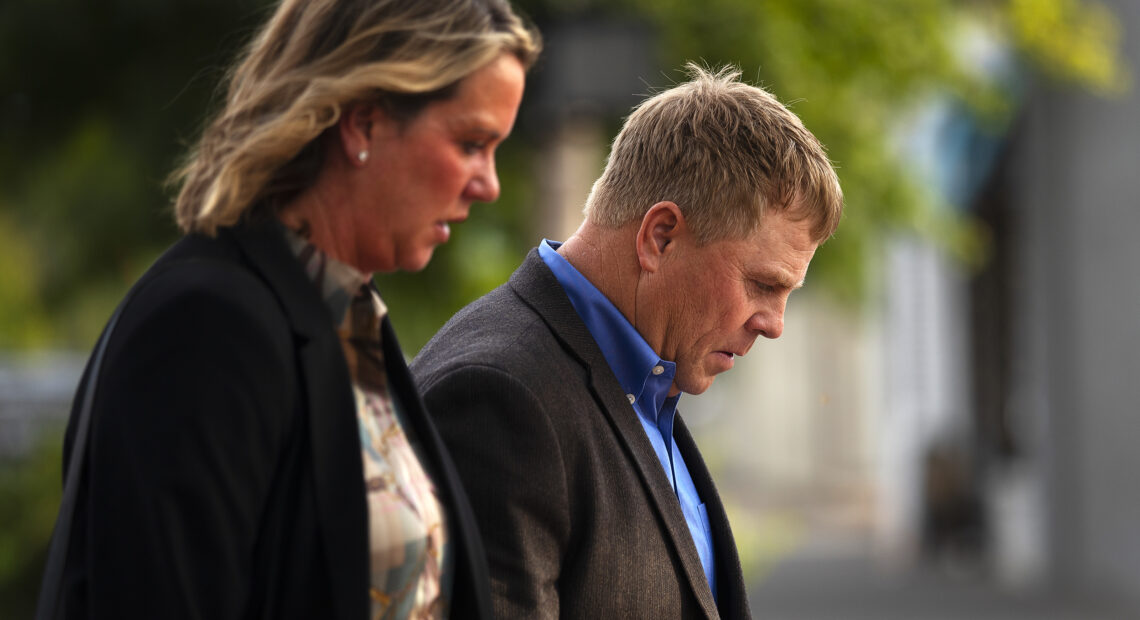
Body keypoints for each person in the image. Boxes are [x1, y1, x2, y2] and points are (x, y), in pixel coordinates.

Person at [42, 0, 540, 618]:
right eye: (471, 143)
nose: (488, 183)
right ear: (362, 124)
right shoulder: (206, 325)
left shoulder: (348, 316)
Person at [411, 64, 844, 618]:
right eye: (762, 285)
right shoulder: (499, 396)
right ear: (660, 237)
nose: (774, 323)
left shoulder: (646, 381)